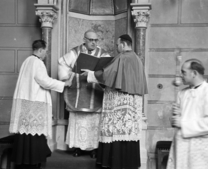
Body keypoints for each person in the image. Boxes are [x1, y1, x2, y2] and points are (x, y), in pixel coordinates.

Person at [81, 34, 148, 169]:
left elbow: (107, 74)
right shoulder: (137, 59)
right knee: (127, 133)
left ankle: (113, 164)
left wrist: (91, 74)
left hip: (118, 101)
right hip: (132, 104)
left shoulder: (122, 57)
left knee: (115, 131)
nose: (117, 47)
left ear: (123, 44)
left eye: (117, 45)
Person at [9, 40, 72, 169]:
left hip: (27, 103)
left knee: (26, 134)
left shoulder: (27, 61)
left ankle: (24, 161)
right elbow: (44, 81)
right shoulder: (37, 62)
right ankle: (33, 162)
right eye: (45, 51)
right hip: (34, 104)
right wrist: (63, 84)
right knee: (34, 134)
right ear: (41, 50)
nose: (46, 54)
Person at [167, 59, 208, 169]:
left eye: (184, 72)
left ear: (194, 73)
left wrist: (182, 123)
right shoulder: (182, 93)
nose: (181, 76)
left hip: (202, 154)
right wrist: (175, 117)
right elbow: (177, 122)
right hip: (183, 151)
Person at [58, 29, 111, 157]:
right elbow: (62, 64)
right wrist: (67, 76)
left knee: (93, 122)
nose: (93, 43)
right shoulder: (75, 52)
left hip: (94, 91)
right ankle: (77, 147)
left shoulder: (103, 54)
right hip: (78, 90)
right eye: (91, 40)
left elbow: (108, 71)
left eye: (95, 40)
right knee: (78, 120)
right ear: (84, 40)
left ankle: (93, 148)